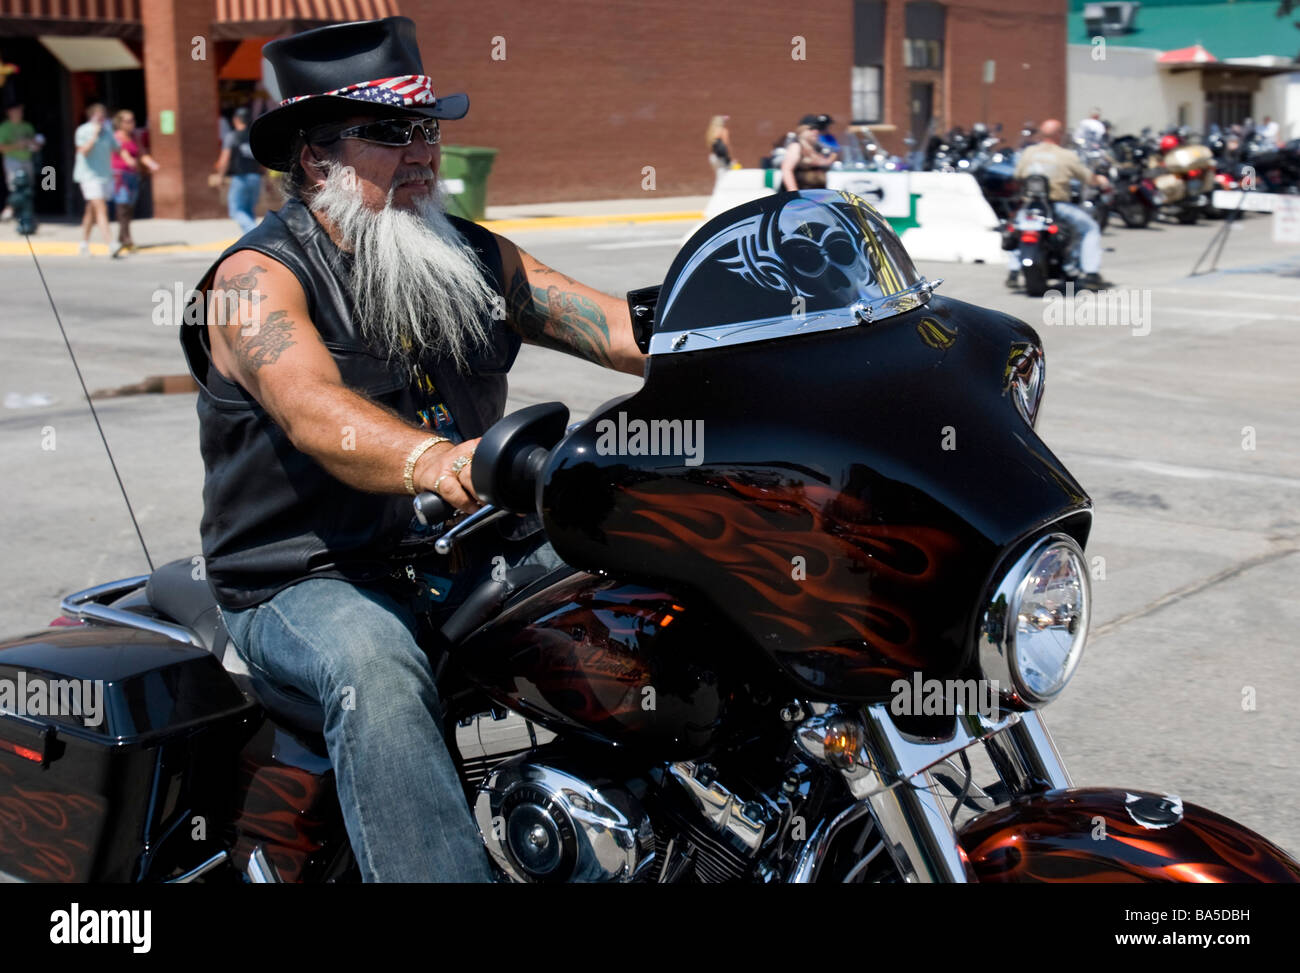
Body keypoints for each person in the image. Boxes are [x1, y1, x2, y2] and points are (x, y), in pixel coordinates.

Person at [180, 16, 645, 883]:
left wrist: (762, 335)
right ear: (318, 157)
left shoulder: (466, 252)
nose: (425, 150)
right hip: (307, 577)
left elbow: (615, 328)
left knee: (646, 561)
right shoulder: (255, 281)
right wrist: (438, 460)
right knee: (376, 666)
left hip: (465, 551)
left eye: (429, 127)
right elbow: (315, 409)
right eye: (393, 133)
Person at [1009, 118, 1111, 290]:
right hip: (1056, 206)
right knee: (1091, 228)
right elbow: (1086, 177)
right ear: (1058, 134)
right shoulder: (1066, 155)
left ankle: (1012, 272)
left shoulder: (1028, 153)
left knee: (1017, 228)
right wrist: (1100, 180)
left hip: (1030, 207)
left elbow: (1018, 175)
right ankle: (1091, 273)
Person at [110, 109, 160, 256]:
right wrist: (129, 161)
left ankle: (121, 237)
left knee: (129, 207)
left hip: (133, 175)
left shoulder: (134, 137)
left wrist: (152, 164)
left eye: (132, 120)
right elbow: (122, 154)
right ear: (120, 123)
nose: (131, 123)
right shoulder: (115, 138)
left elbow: (142, 154)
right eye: (128, 121)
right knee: (123, 205)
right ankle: (127, 239)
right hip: (120, 175)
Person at [73, 103, 117, 257]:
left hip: (105, 175)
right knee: (101, 208)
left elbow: (117, 148)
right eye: (99, 115)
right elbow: (83, 151)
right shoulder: (83, 130)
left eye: (103, 115)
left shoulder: (108, 131)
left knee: (91, 211)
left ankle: (84, 244)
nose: (102, 118)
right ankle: (111, 244)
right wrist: (94, 136)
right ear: (91, 116)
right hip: (89, 176)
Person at [214, 107, 263, 232]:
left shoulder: (232, 136)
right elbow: (262, 159)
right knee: (248, 210)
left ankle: (254, 233)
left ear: (236, 120)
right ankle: (252, 238)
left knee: (236, 211)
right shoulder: (254, 136)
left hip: (240, 178)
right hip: (256, 177)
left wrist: (220, 176)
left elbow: (224, 159)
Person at [0, 102, 40, 221]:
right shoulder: (4, 127)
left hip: (27, 159)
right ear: (9, 112)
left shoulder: (27, 126)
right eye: (16, 110)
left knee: (28, 188)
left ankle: (24, 214)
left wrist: (35, 145)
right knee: (16, 186)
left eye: (21, 111)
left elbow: (35, 142)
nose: (19, 113)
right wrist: (18, 145)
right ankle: (10, 209)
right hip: (12, 160)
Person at [780, 114, 837, 190]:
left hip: (816, 195)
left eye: (818, 128)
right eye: (811, 128)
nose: (816, 131)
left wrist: (833, 156)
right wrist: (793, 192)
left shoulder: (818, 148)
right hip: (800, 195)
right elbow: (787, 170)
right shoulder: (797, 146)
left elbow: (825, 163)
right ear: (801, 130)